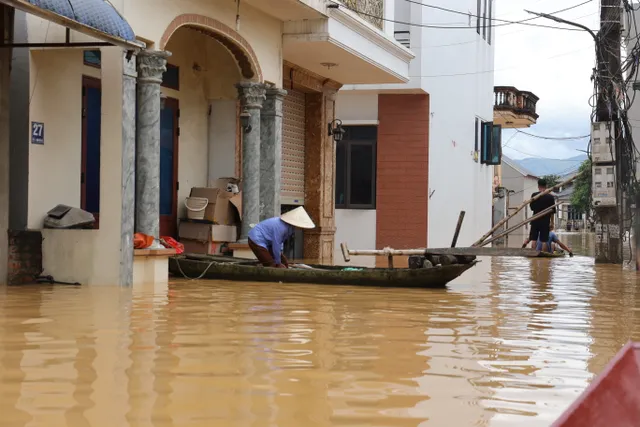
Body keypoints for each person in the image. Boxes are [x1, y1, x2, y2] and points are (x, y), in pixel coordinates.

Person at [247, 206, 315, 268]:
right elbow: (276, 244)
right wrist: (278, 263)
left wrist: (281, 259)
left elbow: (280, 243)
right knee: (271, 264)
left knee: (285, 263)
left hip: (269, 242)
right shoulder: (281, 227)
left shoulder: (290, 228)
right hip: (256, 239)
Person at [522, 178, 556, 252]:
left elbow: (532, 208)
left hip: (535, 220)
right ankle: (543, 256)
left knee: (534, 239)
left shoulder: (534, 195)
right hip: (545, 221)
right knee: (544, 240)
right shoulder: (550, 197)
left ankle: (533, 256)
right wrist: (552, 222)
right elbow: (552, 212)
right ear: (546, 186)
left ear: (538, 186)